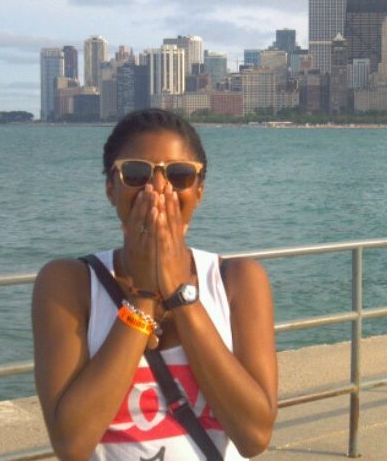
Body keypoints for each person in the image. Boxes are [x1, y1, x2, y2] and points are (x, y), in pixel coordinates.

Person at [32, 109, 278, 460]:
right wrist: (144, 296)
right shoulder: (70, 283)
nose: (159, 188)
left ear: (199, 191)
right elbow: (72, 444)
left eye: (179, 175)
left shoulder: (237, 280)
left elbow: (254, 437)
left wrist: (180, 293)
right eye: (136, 173)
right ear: (111, 188)